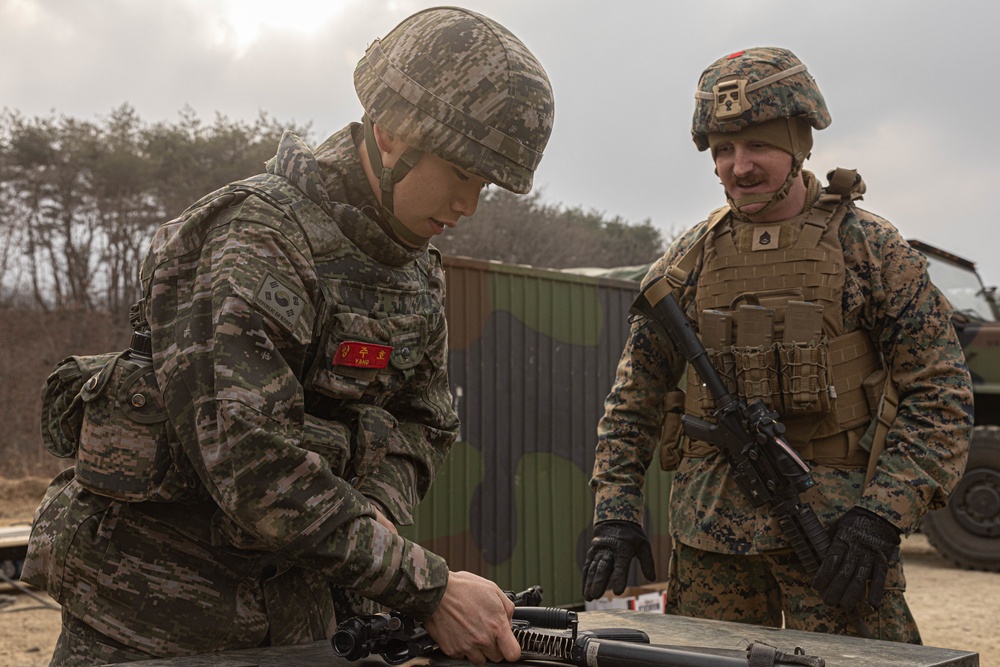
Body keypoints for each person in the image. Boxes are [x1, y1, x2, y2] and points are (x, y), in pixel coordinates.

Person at [22, 7, 553, 666]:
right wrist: (426, 587)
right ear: (391, 135)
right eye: (463, 173)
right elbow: (253, 461)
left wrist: (378, 512)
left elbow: (426, 420)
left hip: (304, 624)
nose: (470, 204)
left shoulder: (413, 267)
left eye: (487, 184)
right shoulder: (260, 236)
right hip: (155, 623)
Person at [581, 47, 972, 643]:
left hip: (838, 541)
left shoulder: (871, 249)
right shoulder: (686, 263)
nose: (739, 167)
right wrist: (615, 512)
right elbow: (633, 400)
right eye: (722, 150)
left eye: (758, 145)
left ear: (799, 143)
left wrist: (882, 516)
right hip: (712, 539)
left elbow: (940, 394)